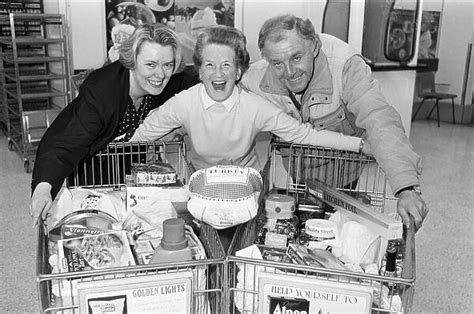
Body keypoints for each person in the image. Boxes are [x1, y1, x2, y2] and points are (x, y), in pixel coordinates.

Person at [239, 14, 428, 230]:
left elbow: (380, 119)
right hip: (298, 174)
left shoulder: (345, 66)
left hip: (343, 173)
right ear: (266, 59)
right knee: (302, 230)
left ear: (314, 46)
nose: (289, 72)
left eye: (296, 57)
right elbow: (221, 99)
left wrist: (406, 188)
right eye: (277, 63)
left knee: (340, 230)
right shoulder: (256, 77)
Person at [131, 25, 368, 172]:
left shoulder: (254, 107)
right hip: (201, 185)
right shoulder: (183, 103)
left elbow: (304, 134)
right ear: (200, 72)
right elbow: (140, 135)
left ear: (238, 72)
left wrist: (359, 145)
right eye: (210, 65)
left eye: (226, 65)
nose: (218, 74)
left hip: (246, 185)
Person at [30, 23, 199, 227]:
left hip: (133, 165)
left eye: (168, 65)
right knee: (98, 223)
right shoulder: (102, 93)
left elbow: (196, 84)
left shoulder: (170, 80)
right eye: (150, 64)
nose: (160, 74)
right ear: (133, 60)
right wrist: (43, 187)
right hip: (95, 167)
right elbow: (66, 142)